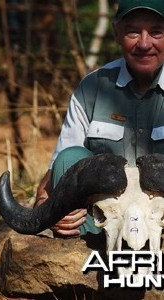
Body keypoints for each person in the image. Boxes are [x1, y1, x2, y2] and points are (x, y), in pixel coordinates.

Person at [35, 0, 164, 238]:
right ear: (116, 33)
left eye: (156, 32)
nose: (144, 44)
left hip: (160, 221)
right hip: (102, 222)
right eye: (133, 31)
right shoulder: (93, 87)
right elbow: (59, 165)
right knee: (70, 157)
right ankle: (79, 252)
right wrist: (45, 204)